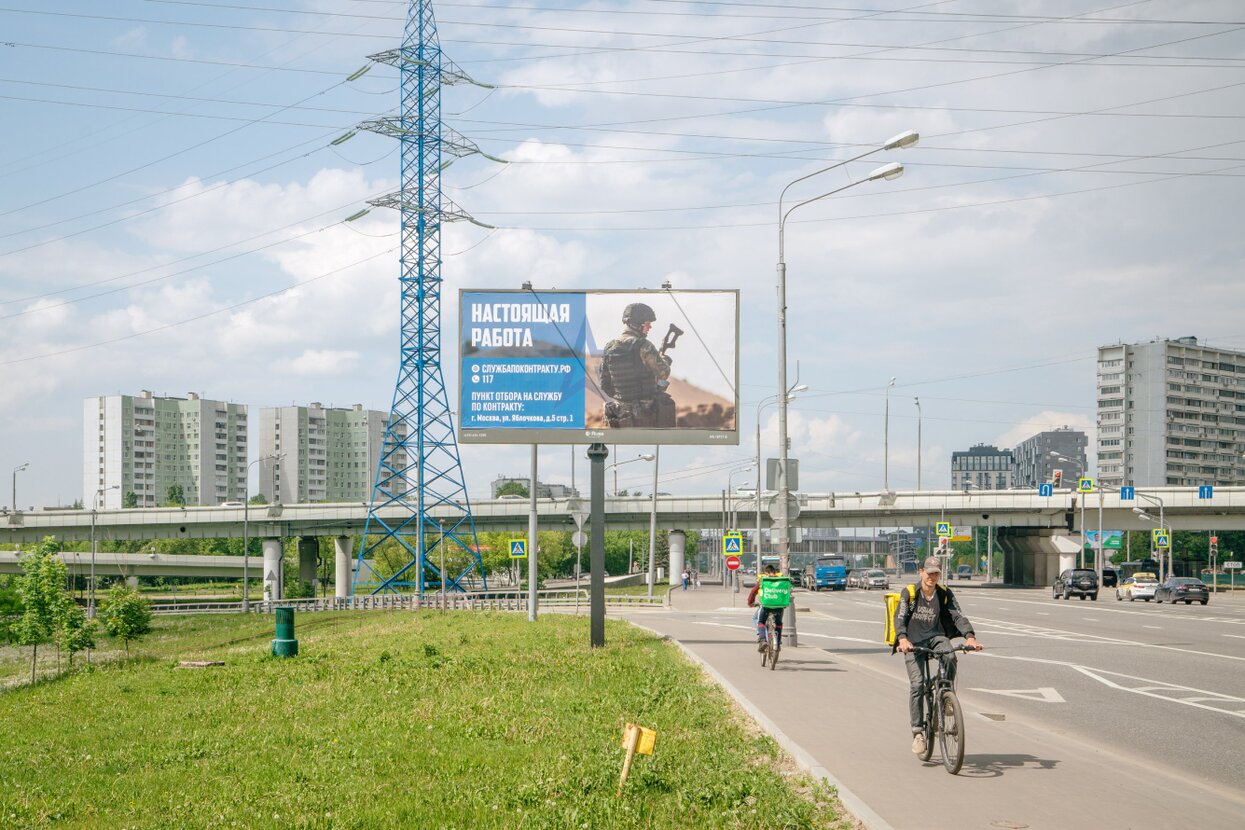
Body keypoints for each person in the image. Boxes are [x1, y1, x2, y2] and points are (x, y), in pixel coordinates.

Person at [894, 556, 983, 755]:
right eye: (929, 572)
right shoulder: (910, 593)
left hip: (936, 637)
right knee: (918, 684)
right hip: (913, 642)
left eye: (936, 573)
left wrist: (970, 637)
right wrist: (902, 639)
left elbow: (957, 615)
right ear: (921, 572)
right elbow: (900, 618)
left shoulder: (944, 593)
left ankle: (946, 695)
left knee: (950, 655)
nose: (932, 577)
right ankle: (918, 733)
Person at [599, 302, 676, 428]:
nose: (649, 327)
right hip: (644, 415)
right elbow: (664, 373)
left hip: (619, 416)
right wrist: (664, 360)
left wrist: (624, 398)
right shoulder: (644, 345)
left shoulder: (609, 347)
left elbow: (604, 384)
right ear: (636, 324)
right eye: (647, 324)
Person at [747, 564, 786, 652]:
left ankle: (763, 640)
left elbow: (753, 592)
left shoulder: (763, 580)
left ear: (765, 573)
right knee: (779, 623)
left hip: (766, 606)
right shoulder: (780, 580)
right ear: (775, 572)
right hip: (779, 607)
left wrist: (750, 603)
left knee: (760, 621)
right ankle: (778, 642)